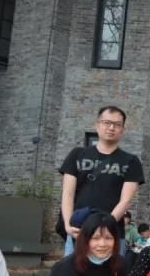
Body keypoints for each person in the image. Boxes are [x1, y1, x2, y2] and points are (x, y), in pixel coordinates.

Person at [58, 105, 145, 255]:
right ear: (97, 125)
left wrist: (106, 226)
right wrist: (67, 224)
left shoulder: (131, 161)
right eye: (106, 122)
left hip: (112, 234)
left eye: (117, 124)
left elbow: (126, 201)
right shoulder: (77, 154)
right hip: (78, 231)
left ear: (122, 130)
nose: (111, 127)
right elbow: (68, 194)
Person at [41, 212, 129, 276]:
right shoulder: (64, 267)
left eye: (108, 238)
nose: (102, 244)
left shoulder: (120, 264)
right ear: (85, 240)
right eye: (95, 238)